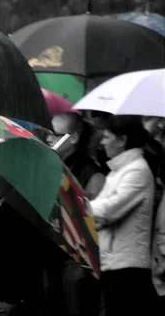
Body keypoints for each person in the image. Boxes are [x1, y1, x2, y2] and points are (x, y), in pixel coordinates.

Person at [90, 115, 155, 316]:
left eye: (107, 137)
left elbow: (109, 210)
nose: (102, 142)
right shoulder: (117, 171)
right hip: (112, 263)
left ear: (122, 140)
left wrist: (78, 207)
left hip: (128, 267)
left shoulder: (137, 170)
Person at [44, 112, 104, 316]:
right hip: (49, 256)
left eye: (55, 133)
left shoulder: (92, 173)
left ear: (74, 138)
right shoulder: (50, 166)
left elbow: (90, 220)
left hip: (76, 262)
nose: (48, 138)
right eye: (48, 133)